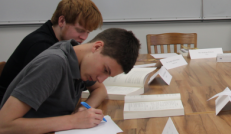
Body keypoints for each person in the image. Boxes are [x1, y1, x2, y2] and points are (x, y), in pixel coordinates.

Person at [0, 28, 140, 134]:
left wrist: (83, 109)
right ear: (97, 47)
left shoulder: (79, 61)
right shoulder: (54, 63)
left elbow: (100, 89)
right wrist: (72, 121)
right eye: (105, 70)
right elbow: (4, 124)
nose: (100, 79)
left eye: (108, 76)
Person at [0, 0, 103, 102]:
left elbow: (99, 89)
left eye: (88, 32)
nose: (84, 37)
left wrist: (83, 109)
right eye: (79, 30)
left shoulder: (70, 45)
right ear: (62, 21)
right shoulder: (41, 47)